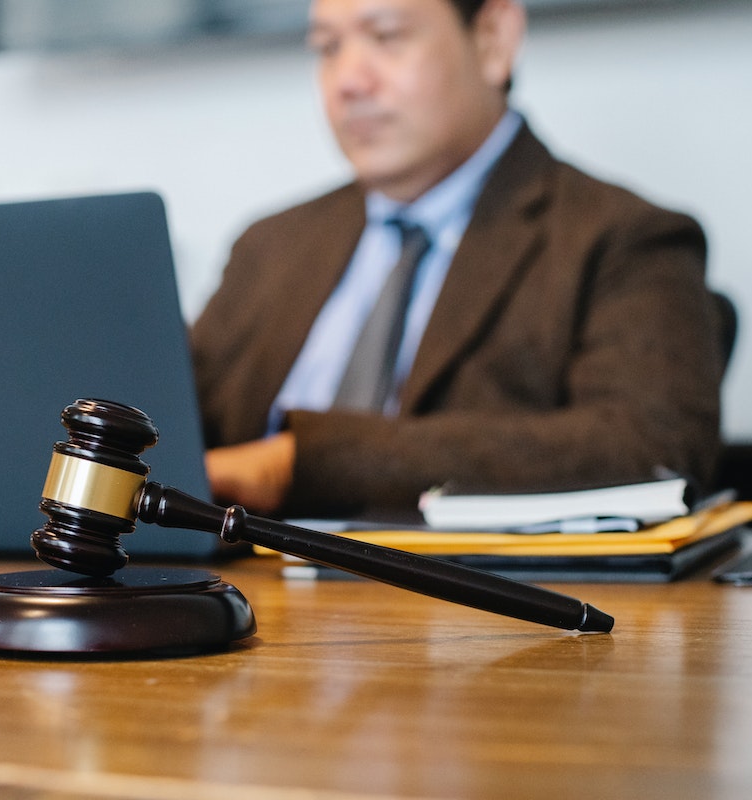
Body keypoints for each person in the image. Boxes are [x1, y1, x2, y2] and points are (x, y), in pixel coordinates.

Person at [190, 0, 724, 519]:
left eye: (387, 36)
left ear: (493, 40)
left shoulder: (622, 237)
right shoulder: (269, 246)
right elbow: (166, 425)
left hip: (462, 604)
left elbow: (650, 447)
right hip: (229, 594)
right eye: (327, 48)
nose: (348, 81)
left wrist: (301, 461)